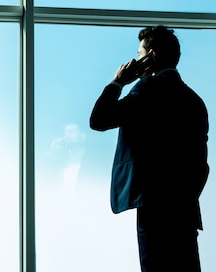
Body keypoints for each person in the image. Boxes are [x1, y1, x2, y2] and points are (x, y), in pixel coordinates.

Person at [90, 26, 209, 272]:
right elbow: (201, 163)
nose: (133, 60)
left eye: (138, 53)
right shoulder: (194, 101)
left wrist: (118, 82)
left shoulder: (146, 92)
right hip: (184, 208)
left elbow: (99, 120)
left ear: (151, 56)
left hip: (154, 207)